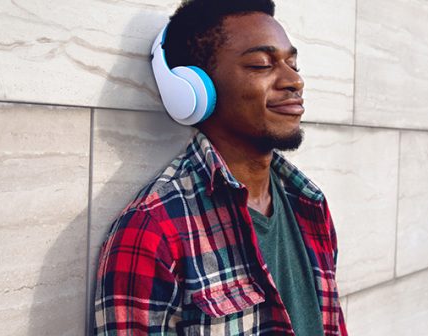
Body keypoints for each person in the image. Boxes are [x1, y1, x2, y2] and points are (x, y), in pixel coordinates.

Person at [93, 0, 346, 334]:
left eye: (293, 62)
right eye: (261, 64)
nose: (293, 81)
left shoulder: (310, 203)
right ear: (196, 90)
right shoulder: (153, 230)